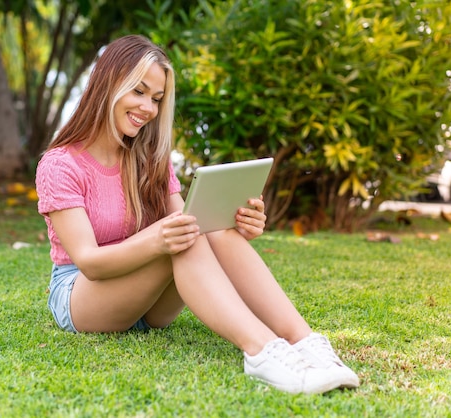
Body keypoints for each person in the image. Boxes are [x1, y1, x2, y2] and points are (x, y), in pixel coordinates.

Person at [35, 34, 360, 395]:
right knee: (180, 235)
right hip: (82, 295)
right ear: (108, 85)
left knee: (203, 227)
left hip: (148, 304)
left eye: (157, 98)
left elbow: (192, 224)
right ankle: (263, 351)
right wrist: (158, 239)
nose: (149, 108)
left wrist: (236, 222)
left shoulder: (148, 158)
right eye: (139, 92)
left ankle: (305, 342)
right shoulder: (60, 164)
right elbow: (90, 262)